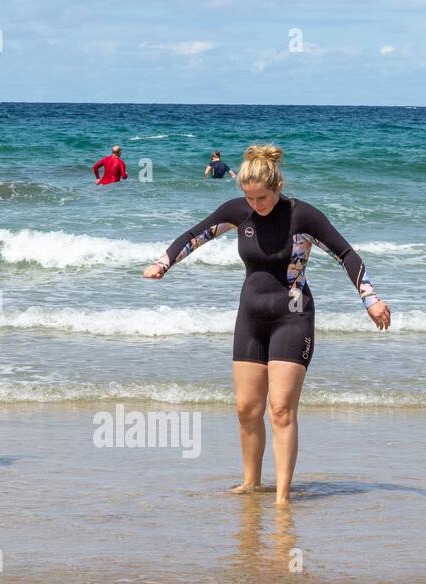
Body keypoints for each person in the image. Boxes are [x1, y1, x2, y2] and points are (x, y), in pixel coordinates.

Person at [142, 144, 391, 505]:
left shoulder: (302, 216)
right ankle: (251, 484)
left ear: (276, 187)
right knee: (246, 408)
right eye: (248, 197)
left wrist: (371, 299)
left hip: (293, 314)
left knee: (280, 410)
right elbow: (196, 235)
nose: (255, 204)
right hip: (251, 316)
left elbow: (346, 254)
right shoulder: (238, 211)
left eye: (261, 197)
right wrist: (163, 264)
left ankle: (283, 497)